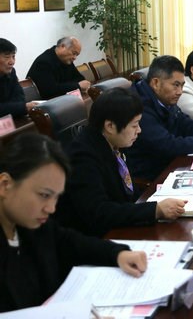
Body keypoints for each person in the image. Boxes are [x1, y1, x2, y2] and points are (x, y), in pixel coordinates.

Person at [0, 133, 147, 312]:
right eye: (44, 195)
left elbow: (68, 242)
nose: (51, 208)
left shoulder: (30, 222)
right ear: (5, 185)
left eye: (56, 197)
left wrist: (116, 254)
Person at [56, 88, 187, 237]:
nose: (139, 130)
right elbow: (99, 212)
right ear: (110, 126)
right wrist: (155, 210)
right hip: (98, 237)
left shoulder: (112, 143)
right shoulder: (82, 157)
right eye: (134, 125)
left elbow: (126, 195)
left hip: (120, 225)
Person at [125, 56, 193, 181]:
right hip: (153, 176)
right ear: (156, 83)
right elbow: (167, 145)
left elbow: (185, 123)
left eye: (182, 85)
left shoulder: (163, 97)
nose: (180, 92)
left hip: (172, 164)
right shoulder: (139, 106)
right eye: (175, 85)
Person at [26, 37, 91, 99]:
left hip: (59, 99)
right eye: (74, 53)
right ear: (63, 46)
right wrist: (77, 86)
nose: (75, 58)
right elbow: (50, 90)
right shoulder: (44, 62)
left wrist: (82, 84)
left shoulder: (66, 60)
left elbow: (79, 78)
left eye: (77, 55)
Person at [0, 39, 39, 118]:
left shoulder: (11, 72)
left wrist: (19, 107)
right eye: (7, 57)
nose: (12, 62)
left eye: (13, 56)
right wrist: (22, 107)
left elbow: (20, 97)